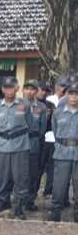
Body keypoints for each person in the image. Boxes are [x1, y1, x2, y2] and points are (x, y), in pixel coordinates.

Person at [0, 76, 33, 218]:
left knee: (21, 177)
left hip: (20, 145)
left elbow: (30, 124)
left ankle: (19, 205)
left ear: (17, 88)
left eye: (12, 87)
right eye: (6, 87)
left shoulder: (24, 105)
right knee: (1, 177)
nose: (9, 90)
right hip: (2, 146)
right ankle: (1, 203)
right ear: (2, 89)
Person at [47, 82, 78, 222]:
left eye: (76, 94)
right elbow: (55, 130)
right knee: (59, 184)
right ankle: (55, 212)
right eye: (71, 93)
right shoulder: (58, 112)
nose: (73, 97)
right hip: (62, 152)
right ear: (66, 95)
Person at [23, 81, 49, 212]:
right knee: (18, 174)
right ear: (23, 90)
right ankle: (16, 200)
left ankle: (29, 200)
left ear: (36, 91)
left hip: (33, 143)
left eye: (32, 89)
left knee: (33, 174)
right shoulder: (17, 104)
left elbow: (42, 128)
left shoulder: (41, 107)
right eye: (27, 89)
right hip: (18, 144)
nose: (29, 91)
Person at [36, 81, 56, 198]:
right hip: (31, 141)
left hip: (46, 141)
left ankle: (44, 192)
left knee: (44, 168)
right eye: (42, 89)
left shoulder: (50, 105)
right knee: (33, 170)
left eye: (46, 91)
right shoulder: (28, 103)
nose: (43, 92)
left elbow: (54, 124)